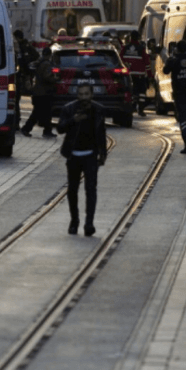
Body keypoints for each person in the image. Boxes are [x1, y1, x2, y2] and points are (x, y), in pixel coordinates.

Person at [57, 84, 107, 236]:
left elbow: (102, 133)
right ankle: (74, 221)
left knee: (90, 189)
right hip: (73, 155)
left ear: (91, 95)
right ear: (77, 95)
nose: (83, 97)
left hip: (90, 155)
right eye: (81, 94)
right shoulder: (69, 109)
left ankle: (89, 223)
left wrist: (103, 154)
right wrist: (74, 120)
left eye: (86, 94)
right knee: (72, 190)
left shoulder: (98, 109)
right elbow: (60, 128)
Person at [20, 47, 56, 138]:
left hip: (38, 92)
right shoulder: (47, 64)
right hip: (44, 93)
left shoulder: (38, 62)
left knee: (42, 112)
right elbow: (47, 77)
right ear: (49, 55)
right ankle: (27, 129)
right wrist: (55, 79)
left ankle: (46, 130)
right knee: (41, 113)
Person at [162, 40, 186, 153]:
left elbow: (165, 71)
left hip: (179, 94)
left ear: (177, 49)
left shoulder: (173, 60)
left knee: (183, 120)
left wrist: (169, 59)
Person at [120, 30, 151, 116]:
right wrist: (149, 75)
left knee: (131, 91)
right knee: (141, 92)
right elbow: (146, 62)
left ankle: (132, 107)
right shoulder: (141, 48)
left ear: (130, 37)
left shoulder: (125, 48)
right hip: (140, 75)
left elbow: (120, 60)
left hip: (129, 75)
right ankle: (140, 109)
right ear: (138, 38)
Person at [14, 29, 38, 96]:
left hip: (25, 72)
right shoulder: (22, 45)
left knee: (25, 89)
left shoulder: (24, 46)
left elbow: (35, 56)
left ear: (17, 37)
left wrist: (29, 65)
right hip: (22, 71)